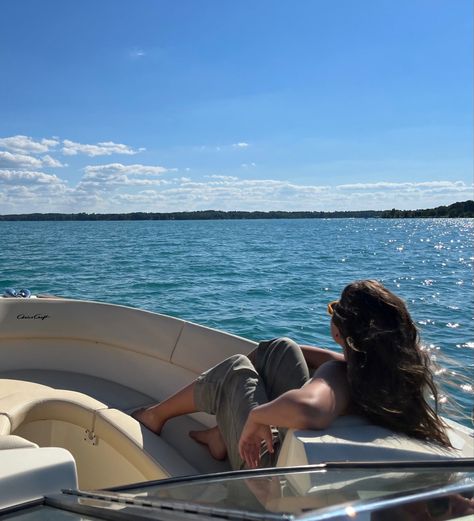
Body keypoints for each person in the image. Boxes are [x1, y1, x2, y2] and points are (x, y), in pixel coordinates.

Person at [133, 280, 452, 470]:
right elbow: (325, 358)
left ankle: (155, 416)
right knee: (282, 348)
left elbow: (309, 408)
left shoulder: (337, 377)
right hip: (302, 465)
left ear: (341, 331)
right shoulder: (391, 374)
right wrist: (277, 349)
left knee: (236, 370)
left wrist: (257, 417)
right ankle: (220, 435)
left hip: (267, 478)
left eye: (333, 310)